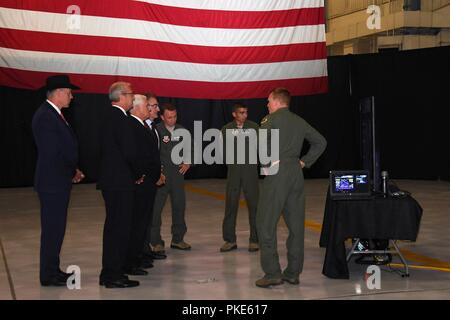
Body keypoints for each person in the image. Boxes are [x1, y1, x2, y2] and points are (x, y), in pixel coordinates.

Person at [255, 88, 327, 288]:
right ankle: (293, 273)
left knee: (265, 224)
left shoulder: (269, 120)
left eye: (268, 101)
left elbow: (261, 146)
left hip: (277, 172)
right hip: (296, 173)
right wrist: (304, 162)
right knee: (296, 226)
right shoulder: (299, 121)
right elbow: (321, 142)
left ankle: (272, 273)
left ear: (277, 102)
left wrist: (266, 166)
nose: (267, 104)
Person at [32, 74, 85, 286]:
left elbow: (63, 149)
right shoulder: (46, 116)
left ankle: (53, 269)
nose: (71, 97)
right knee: (52, 229)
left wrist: (73, 169)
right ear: (59, 93)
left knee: (56, 229)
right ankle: (48, 274)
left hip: (57, 179)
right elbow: (53, 152)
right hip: (53, 182)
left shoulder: (54, 114)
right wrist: (72, 170)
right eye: (69, 93)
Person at [97, 82, 146, 288]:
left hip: (110, 180)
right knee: (119, 229)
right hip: (121, 182)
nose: (133, 98)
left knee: (113, 227)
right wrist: (138, 173)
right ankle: (113, 275)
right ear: (122, 97)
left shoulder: (106, 116)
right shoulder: (121, 119)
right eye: (131, 94)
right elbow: (129, 152)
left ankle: (109, 271)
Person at [124, 94, 162, 275]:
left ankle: (140, 254)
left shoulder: (146, 126)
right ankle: (133, 259)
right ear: (137, 108)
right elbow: (136, 155)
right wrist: (140, 174)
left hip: (148, 180)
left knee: (143, 221)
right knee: (137, 223)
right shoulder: (132, 125)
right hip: (142, 182)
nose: (150, 109)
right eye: (148, 105)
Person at [150, 103, 191, 253]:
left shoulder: (183, 130)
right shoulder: (156, 130)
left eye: (174, 117)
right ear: (162, 117)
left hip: (178, 175)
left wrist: (188, 161)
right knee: (156, 209)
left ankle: (178, 239)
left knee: (179, 206)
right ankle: (155, 241)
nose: (172, 120)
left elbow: (190, 148)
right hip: (161, 175)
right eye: (169, 117)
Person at [220, 103, 260, 253]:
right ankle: (230, 240)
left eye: (246, 112)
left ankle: (255, 240)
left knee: (254, 206)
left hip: (250, 171)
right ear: (234, 114)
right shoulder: (226, 129)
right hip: (234, 171)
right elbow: (222, 151)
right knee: (231, 205)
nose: (245, 115)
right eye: (242, 112)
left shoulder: (254, 127)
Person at [142, 93, 167, 260]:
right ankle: (142, 250)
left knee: (148, 215)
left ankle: (146, 248)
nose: (158, 109)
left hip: (152, 179)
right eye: (154, 105)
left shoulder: (153, 127)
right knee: (142, 216)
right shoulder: (140, 127)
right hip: (143, 180)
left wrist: (159, 173)